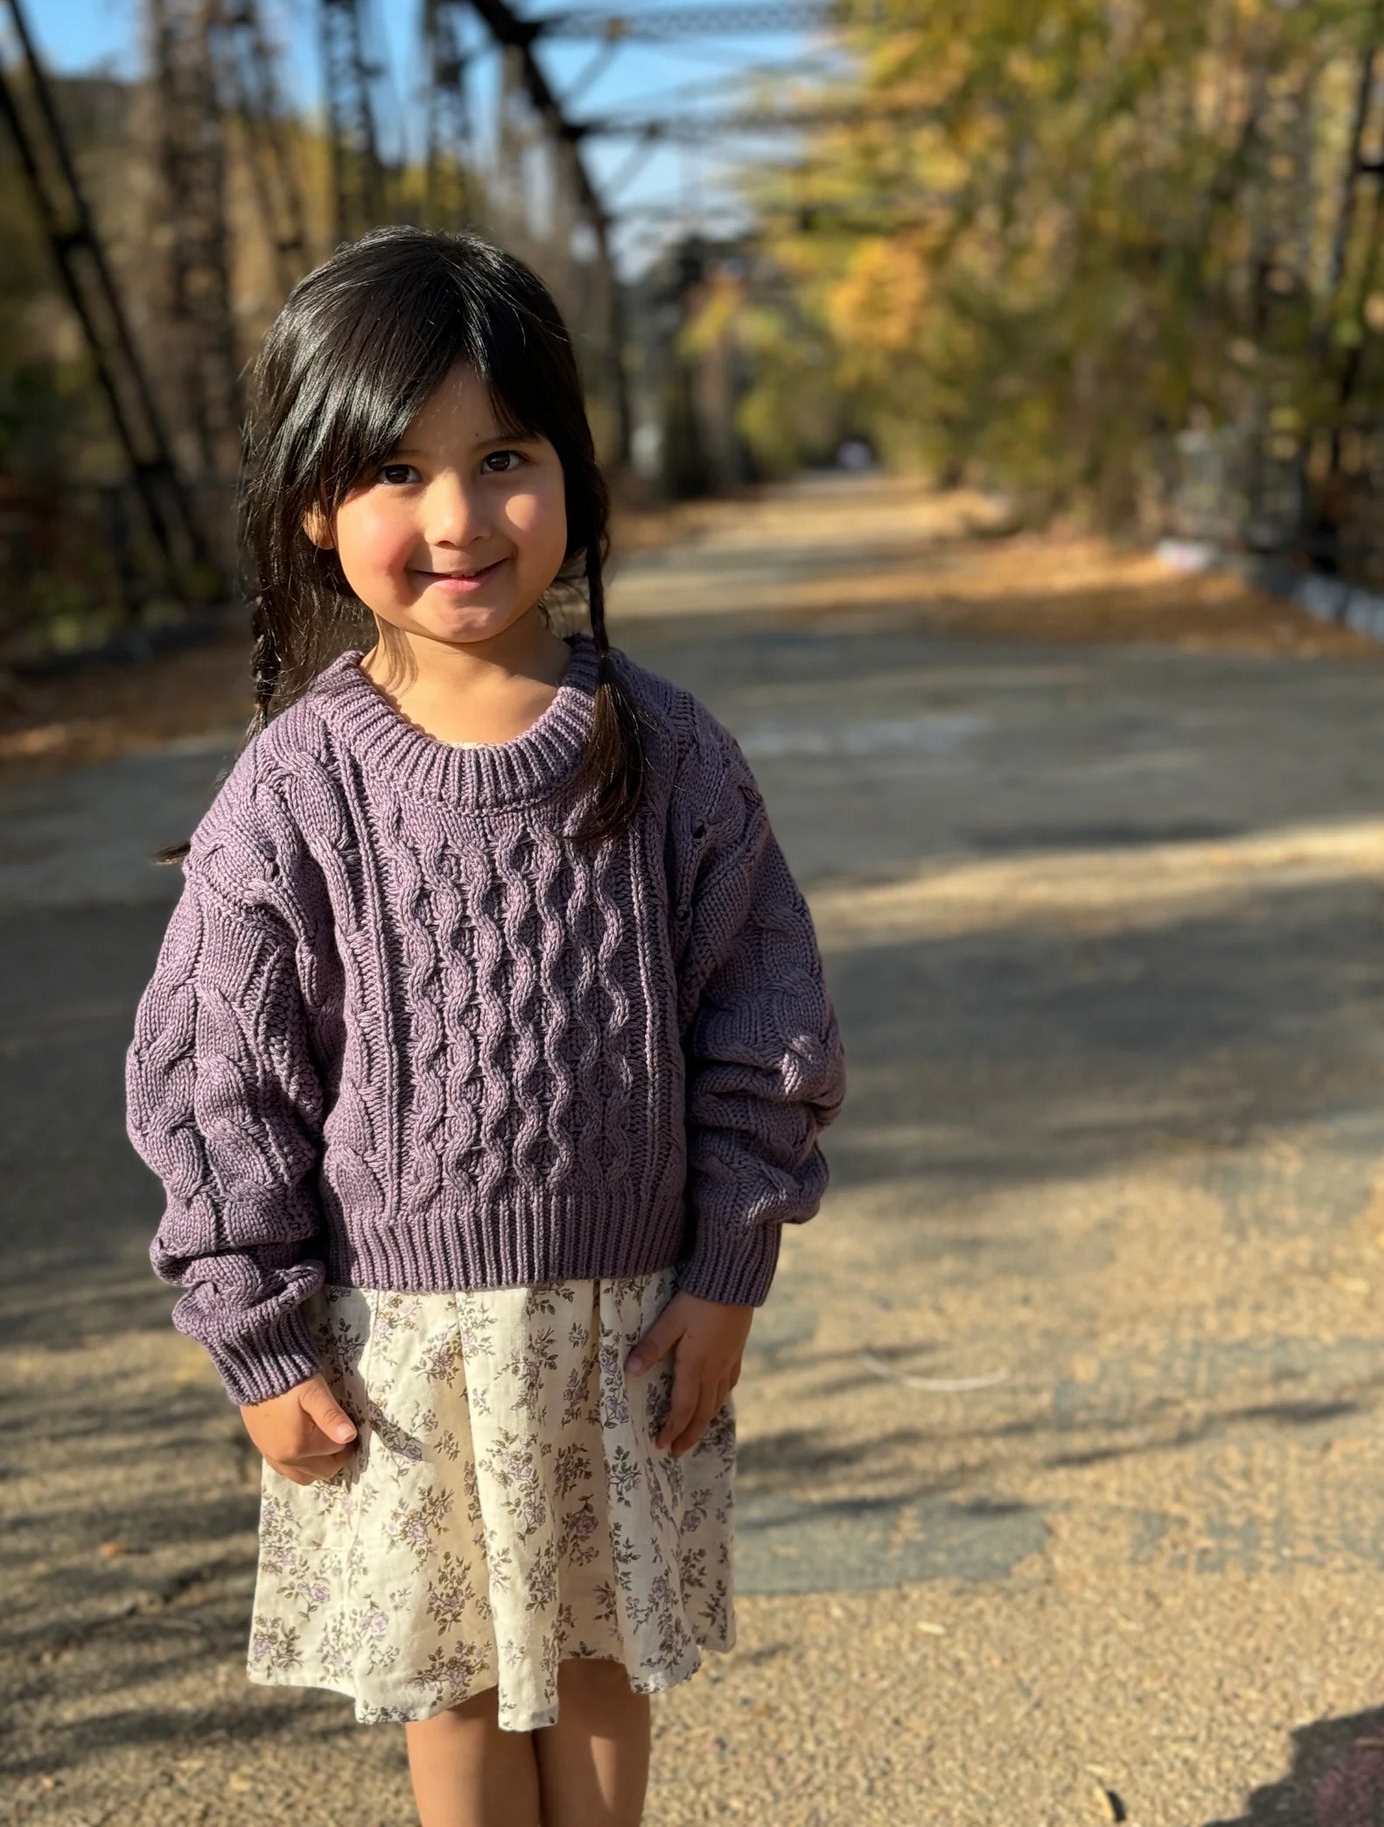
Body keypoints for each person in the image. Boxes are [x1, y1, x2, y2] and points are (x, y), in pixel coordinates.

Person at [122, 224, 846, 1827]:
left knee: (601, 1665)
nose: (457, 518)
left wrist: (729, 1267)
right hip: (400, 1350)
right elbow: (217, 1080)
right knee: (450, 1689)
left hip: (626, 1328)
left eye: (504, 458)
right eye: (396, 470)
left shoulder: (665, 752)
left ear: (573, 475)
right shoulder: (298, 787)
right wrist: (253, 1326)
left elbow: (765, 1022)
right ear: (316, 507)